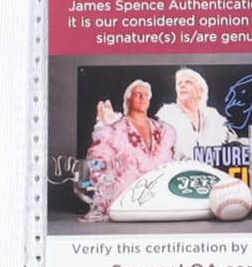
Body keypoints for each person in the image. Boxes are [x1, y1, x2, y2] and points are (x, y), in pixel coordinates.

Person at [80, 80, 177, 222]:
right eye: (138, 94)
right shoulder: (113, 131)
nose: (143, 98)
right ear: (128, 100)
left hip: (158, 203)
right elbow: (97, 165)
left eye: (146, 95)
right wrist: (103, 200)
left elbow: (171, 165)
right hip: (125, 203)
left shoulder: (163, 131)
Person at [156, 67, 235, 159]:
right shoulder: (166, 120)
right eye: (179, 83)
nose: (182, 85)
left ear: (200, 91)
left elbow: (235, 144)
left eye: (188, 82)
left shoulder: (215, 121)